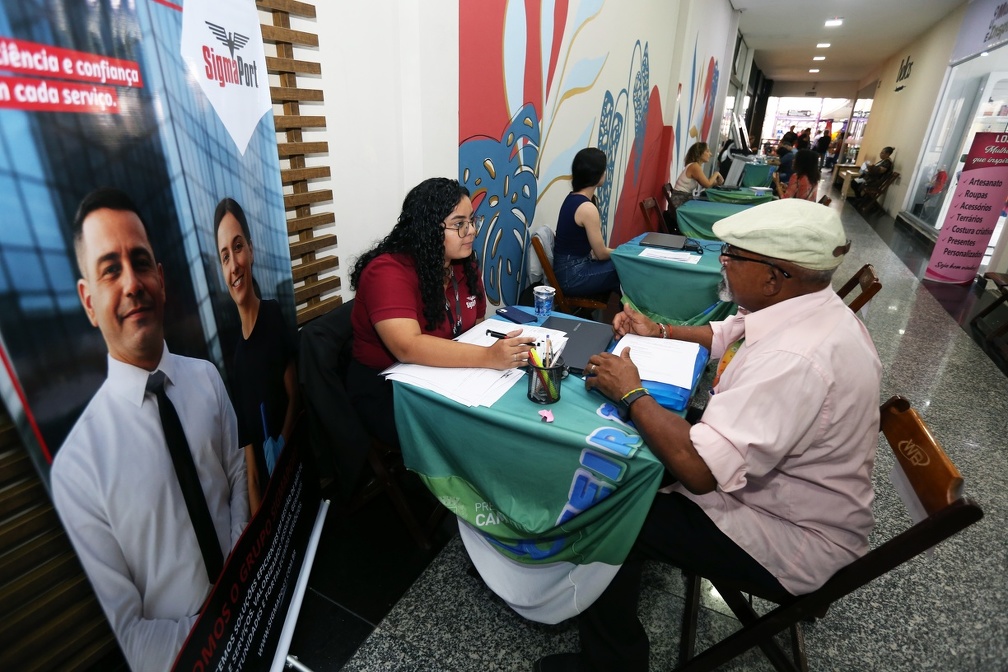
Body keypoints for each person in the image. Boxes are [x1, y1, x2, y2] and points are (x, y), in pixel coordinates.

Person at [535, 198, 882, 672]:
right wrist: (656, 329)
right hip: (781, 496)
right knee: (633, 465)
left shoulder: (796, 359)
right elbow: (727, 335)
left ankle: (611, 664)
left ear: (773, 276)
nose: (723, 263)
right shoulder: (806, 308)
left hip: (790, 536)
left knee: (613, 507)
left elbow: (699, 473)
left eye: (732, 256)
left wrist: (632, 392)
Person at [51, 188, 248, 672]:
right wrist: (221, 634)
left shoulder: (206, 379)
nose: (132, 284)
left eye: (140, 263)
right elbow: (129, 636)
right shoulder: (76, 470)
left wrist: (249, 580)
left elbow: (239, 483)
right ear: (89, 301)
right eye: (110, 270)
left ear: (161, 280)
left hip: (259, 606)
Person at [349, 177, 533, 446]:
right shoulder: (387, 271)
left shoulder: (463, 263)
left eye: (472, 221)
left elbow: (477, 323)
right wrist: (488, 356)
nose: (471, 231)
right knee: (480, 435)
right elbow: (407, 347)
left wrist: (494, 352)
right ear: (428, 229)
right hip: (389, 388)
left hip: (444, 376)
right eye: (459, 224)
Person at [214, 197, 299, 514]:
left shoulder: (274, 314)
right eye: (225, 256)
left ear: (250, 250)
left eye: (237, 247)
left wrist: (282, 448)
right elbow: (250, 467)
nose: (234, 264)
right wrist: (259, 517)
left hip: (294, 476)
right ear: (222, 269)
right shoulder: (236, 361)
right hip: (270, 500)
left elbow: (295, 396)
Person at [552, 147, 622, 297]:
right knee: (625, 267)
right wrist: (624, 253)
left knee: (621, 270)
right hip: (573, 276)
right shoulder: (587, 208)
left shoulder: (572, 198)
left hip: (567, 270)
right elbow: (601, 253)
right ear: (597, 175)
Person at [668, 141, 724, 210]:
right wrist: (716, 173)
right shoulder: (695, 167)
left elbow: (706, 183)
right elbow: (707, 184)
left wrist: (717, 182)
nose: (710, 154)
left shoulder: (695, 166)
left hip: (683, 198)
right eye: (707, 151)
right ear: (699, 153)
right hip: (679, 202)